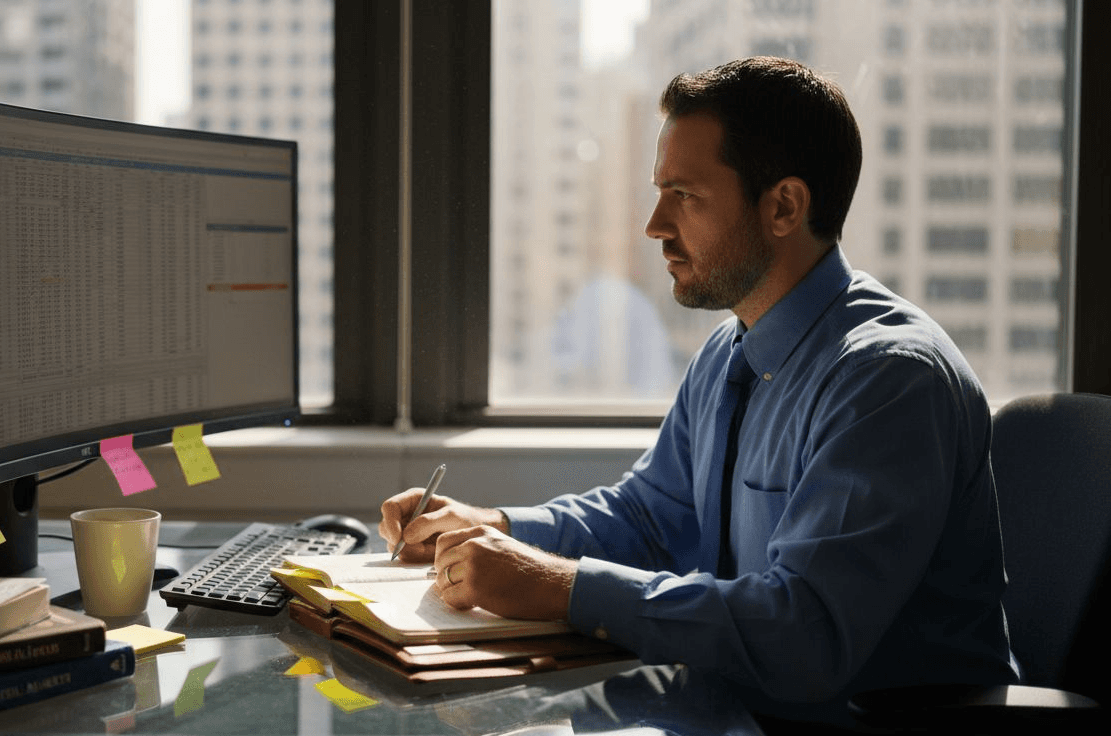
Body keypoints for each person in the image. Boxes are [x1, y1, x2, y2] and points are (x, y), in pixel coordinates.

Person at [379, 57, 1019, 708]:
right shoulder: (728, 352)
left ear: (784, 207)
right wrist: (497, 527)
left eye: (683, 195)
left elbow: (807, 632)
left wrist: (559, 586)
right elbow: (651, 520)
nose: (655, 225)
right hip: (733, 710)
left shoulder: (889, 380)